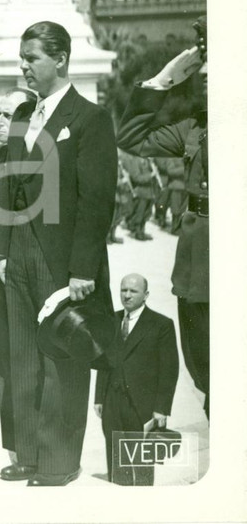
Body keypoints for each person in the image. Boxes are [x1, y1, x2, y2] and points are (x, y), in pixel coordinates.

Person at [0, 21, 117, 486]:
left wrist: (83, 268)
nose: (24, 66)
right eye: (22, 58)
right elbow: (8, 188)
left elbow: (96, 199)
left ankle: (58, 460)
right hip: (19, 253)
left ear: (61, 58)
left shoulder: (89, 119)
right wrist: (3, 251)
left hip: (62, 258)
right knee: (22, 356)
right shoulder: (25, 117)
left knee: (59, 357)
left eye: (33, 58)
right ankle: (27, 452)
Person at [117, 25, 208, 418]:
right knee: (206, 371)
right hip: (196, 266)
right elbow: (132, 138)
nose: (204, 83)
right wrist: (161, 81)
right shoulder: (193, 129)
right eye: (201, 74)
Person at [0, 87, 35, 460]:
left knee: (23, 364)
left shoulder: (34, 158)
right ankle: (15, 449)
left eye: (7, 116)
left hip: (19, 273)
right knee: (0, 363)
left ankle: (29, 449)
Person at [94, 274, 179, 485]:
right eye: (124, 290)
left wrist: (161, 407)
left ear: (146, 295)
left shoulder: (161, 324)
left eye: (133, 291)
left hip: (141, 405)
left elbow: (169, 370)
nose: (127, 295)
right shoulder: (111, 320)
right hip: (112, 401)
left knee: (141, 462)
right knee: (115, 458)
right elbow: (104, 361)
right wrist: (99, 398)